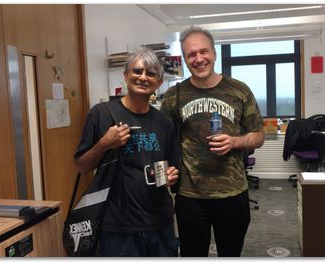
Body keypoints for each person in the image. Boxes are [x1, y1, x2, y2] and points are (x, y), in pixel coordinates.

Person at [160, 26, 265, 257]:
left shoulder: (239, 90)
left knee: (230, 253)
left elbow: (258, 136)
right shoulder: (173, 96)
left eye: (203, 52)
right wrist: (166, 171)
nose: (199, 59)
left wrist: (235, 142)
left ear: (214, 53)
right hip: (190, 197)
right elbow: (164, 142)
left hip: (233, 194)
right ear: (185, 59)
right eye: (191, 54)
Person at [74, 48, 180, 257]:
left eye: (150, 74)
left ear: (158, 83)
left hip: (159, 222)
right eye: (137, 71)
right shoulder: (102, 113)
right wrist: (105, 143)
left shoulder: (164, 122)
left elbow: (174, 168)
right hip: (117, 226)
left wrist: (172, 176)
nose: (143, 77)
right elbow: (81, 166)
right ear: (126, 76)